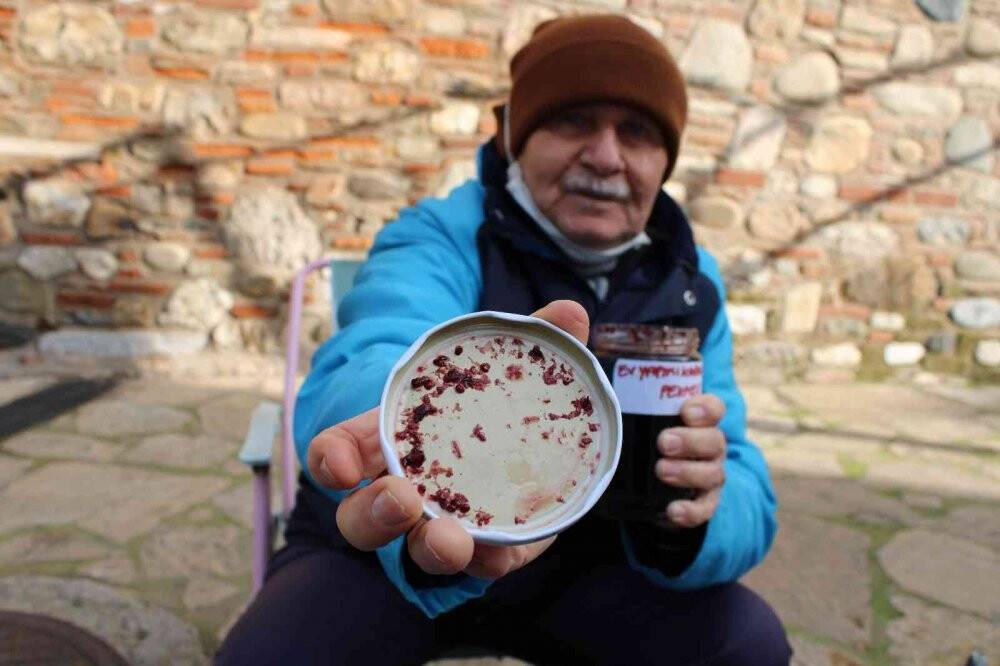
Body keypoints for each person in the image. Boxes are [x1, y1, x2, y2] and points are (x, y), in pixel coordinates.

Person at [217, 14, 791, 665]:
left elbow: (741, 476)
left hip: (590, 563)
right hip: (388, 555)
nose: (606, 156)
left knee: (747, 645)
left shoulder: (692, 284)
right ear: (514, 134)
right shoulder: (441, 236)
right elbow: (377, 345)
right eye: (573, 120)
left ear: (665, 159)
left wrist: (694, 514)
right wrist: (399, 432)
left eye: (636, 132)